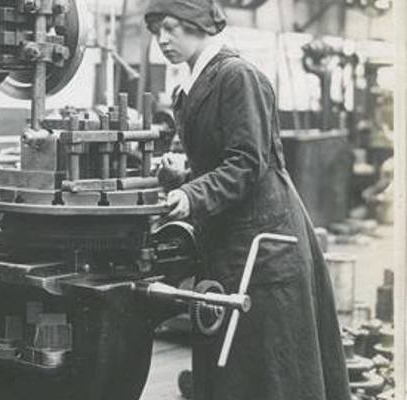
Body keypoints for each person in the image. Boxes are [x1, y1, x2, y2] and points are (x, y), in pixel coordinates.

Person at [145, 1, 351, 399]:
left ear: (199, 24)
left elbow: (246, 162)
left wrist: (192, 193)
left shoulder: (237, 76)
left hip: (265, 239)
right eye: (157, 31)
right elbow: (214, 160)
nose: (163, 40)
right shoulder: (187, 89)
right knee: (230, 356)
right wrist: (182, 171)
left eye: (172, 28)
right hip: (226, 236)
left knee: (272, 359)